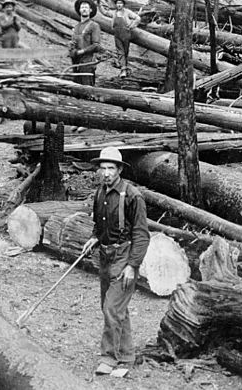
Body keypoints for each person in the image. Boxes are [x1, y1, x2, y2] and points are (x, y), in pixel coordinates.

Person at [82, 147, 150, 377]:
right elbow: (98, 225)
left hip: (124, 256)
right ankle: (128, 356)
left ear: (120, 169)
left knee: (112, 307)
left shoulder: (133, 196)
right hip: (105, 256)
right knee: (114, 308)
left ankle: (109, 358)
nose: (106, 173)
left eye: (111, 168)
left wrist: (133, 265)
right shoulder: (100, 193)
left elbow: (142, 235)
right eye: (103, 168)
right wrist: (93, 238)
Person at [68, 0, 102, 86]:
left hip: (87, 62)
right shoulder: (76, 27)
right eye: (82, 7)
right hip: (76, 62)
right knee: (76, 88)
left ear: (90, 10)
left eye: (86, 7)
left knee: (87, 89)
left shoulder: (94, 25)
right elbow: (74, 43)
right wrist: (71, 48)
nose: (84, 9)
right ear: (79, 10)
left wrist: (81, 51)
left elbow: (96, 45)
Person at [110, 0, 140, 78]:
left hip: (126, 33)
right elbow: (105, 13)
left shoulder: (127, 12)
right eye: (117, 3)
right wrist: (99, 5)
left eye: (120, 3)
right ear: (116, 5)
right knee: (120, 52)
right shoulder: (114, 13)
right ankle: (123, 70)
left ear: (123, 4)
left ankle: (125, 69)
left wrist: (132, 25)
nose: (119, 5)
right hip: (117, 34)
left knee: (125, 52)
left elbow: (137, 18)